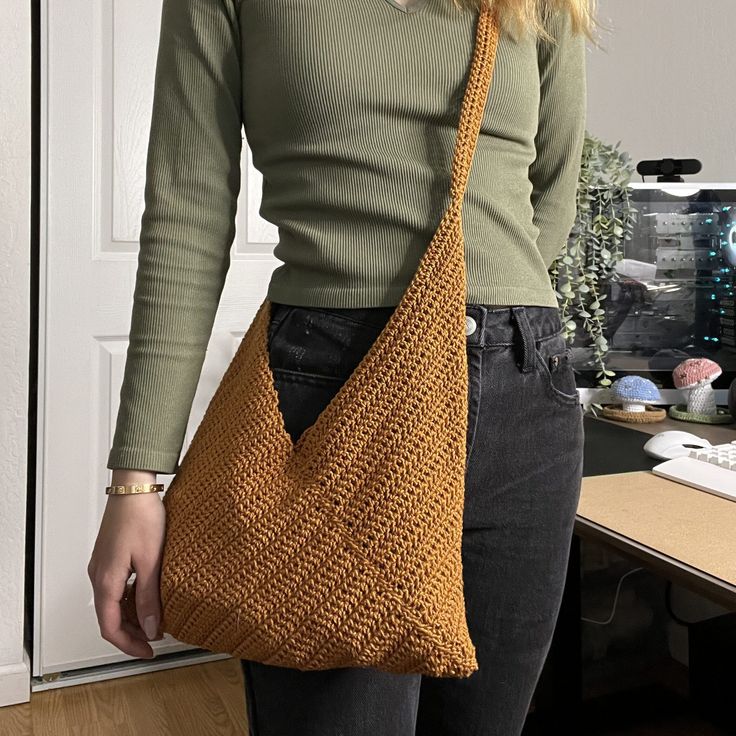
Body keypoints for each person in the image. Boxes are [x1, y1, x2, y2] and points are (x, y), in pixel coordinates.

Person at [87, 0, 599, 733]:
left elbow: (552, 188)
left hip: (522, 392)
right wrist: (137, 477)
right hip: (327, 397)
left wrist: (454, 318)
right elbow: (188, 214)